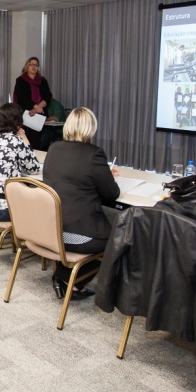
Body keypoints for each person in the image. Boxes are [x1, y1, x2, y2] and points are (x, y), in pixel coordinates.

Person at [42, 108, 120, 301]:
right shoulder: (94, 154)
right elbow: (111, 194)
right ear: (91, 128)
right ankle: (71, 281)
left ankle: (64, 276)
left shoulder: (54, 148)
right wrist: (106, 176)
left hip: (52, 230)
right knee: (121, 238)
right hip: (80, 235)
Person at [0, 103, 40, 222]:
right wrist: (24, 139)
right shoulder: (16, 141)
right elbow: (34, 168)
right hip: (3, 209)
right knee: (40, 204)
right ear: (18, 122)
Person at [13, 57, 54, 151]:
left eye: (36, 65)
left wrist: (37, 109)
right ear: (27, 66)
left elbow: (48, 97)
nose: (33, 66)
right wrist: (35, 107)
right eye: (31, 64)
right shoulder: (21, 80)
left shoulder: (43, 81)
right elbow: (22, 97)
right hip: (25, 115)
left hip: (39, 116)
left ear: (38, 67)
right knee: (25, 142)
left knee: (37, 143)